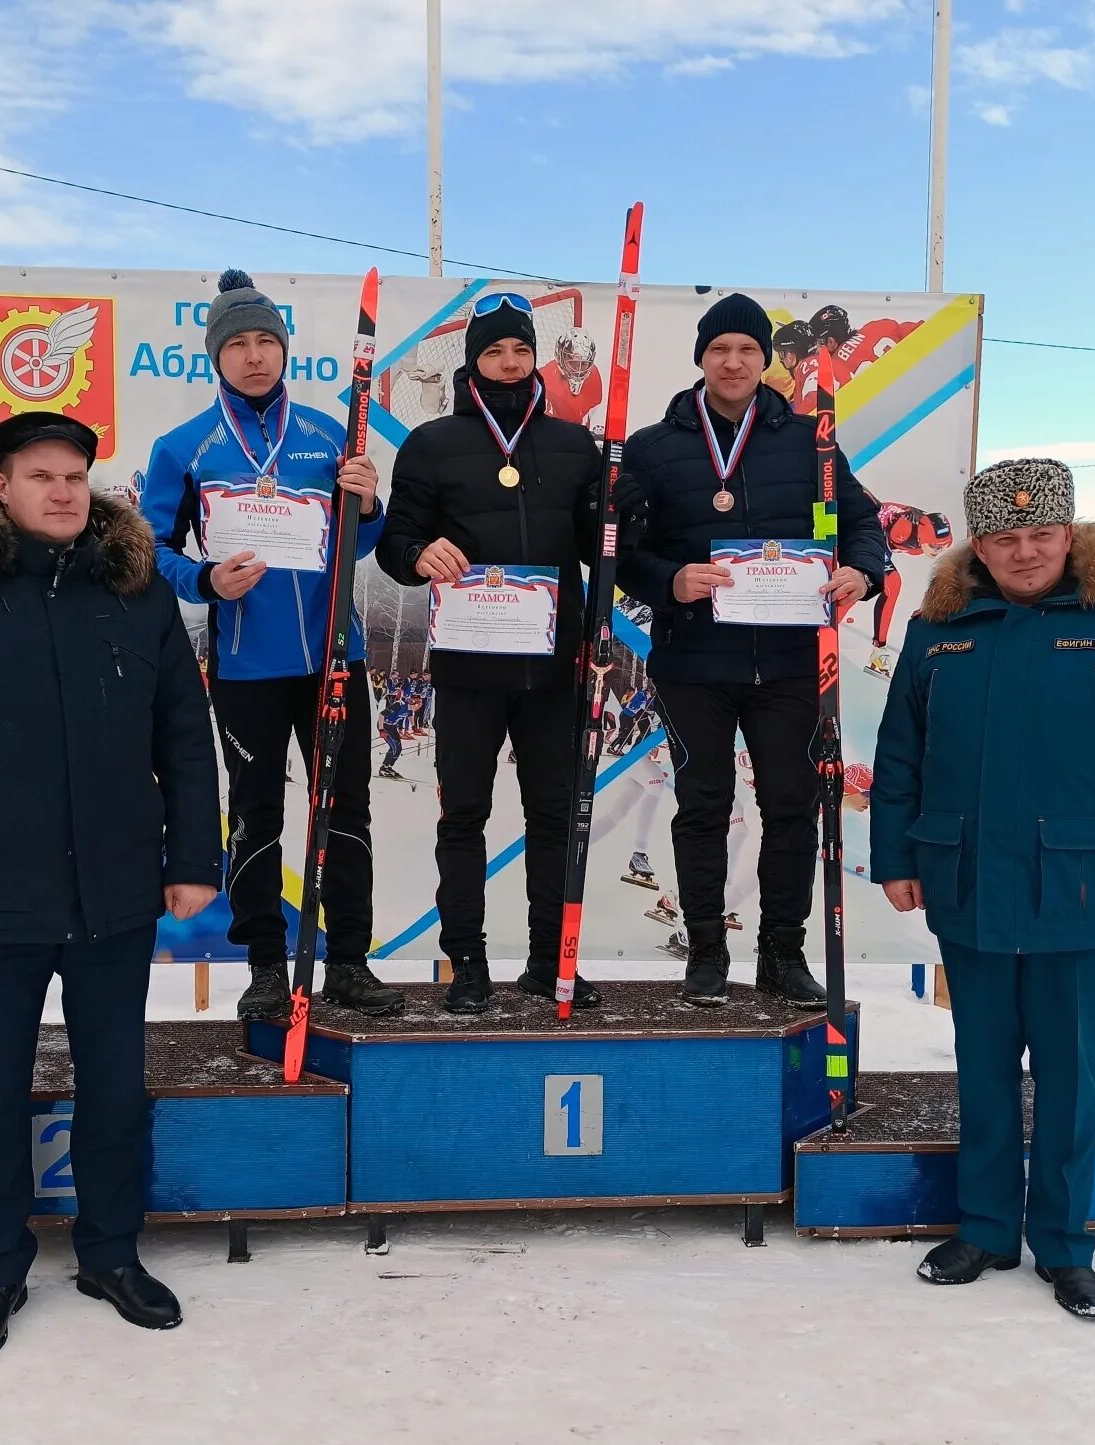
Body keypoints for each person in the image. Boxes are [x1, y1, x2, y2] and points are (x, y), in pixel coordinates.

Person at [0, 411, 223, 1365]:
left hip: (113, 894)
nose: (65, 492)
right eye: (41, 475)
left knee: (115, 1085)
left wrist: (193, 860)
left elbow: (184, 737)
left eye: (77, 475)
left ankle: (110, 1255)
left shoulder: (134, 592)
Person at [869, 458, 1095, 1321]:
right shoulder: (936, 633)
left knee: (1066, 1073)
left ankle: (1063, 1246)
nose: (1025, 552)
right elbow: (902, 760)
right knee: (982, 1066)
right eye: (1005, 537)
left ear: (1071, 535)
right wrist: (897, 859)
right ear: (979, 546)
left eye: (1041, 534)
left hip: (1081, 889)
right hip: (966, 882)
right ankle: (986, 1228)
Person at [141, 270, 405, 1023]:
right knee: (257, 814)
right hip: (246, 666)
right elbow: (152, 549)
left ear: (284, 350)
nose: (255, 356)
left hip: (332, 658)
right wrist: (204, 581)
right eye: (238, 343)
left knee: (344, 809)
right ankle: (263, 963)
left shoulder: (329, 436)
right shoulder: (184, 448)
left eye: (266, 341)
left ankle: (349, 961)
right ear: (215, 356)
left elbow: (364, 543)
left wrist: (370, 501)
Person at [617, 293, 889, 1006]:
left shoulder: (811, 443)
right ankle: (706, 950)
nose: (732, 362)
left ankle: (782, 952)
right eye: (719, 350)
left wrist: (861, 569)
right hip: (694, 659)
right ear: (701, 359)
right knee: (703, 807)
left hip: (791, 663)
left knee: (791, 807)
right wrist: (670, 580)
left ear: (764, 360)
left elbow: (865, 524)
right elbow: (620, 552)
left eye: (746, 349)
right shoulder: (653, 447)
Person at [374, 292, 603, 1013]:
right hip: (470, 667)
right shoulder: (433, 443)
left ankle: (547, 960)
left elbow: (606, 542)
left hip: (550, 667)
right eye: (494, 351)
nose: (508, 363)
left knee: (553, 815)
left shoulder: (573, 446)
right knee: (463, 815)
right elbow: (393, 545)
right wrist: (419, 551)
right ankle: (466, 962)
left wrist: (624, 505)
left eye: (520, 350)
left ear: (537, 358)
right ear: (472, 360)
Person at [866, 498, 955, 677]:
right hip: (871, 530)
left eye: (943, 546)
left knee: (885, 584)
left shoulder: (921, 536)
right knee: (892, 583)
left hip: (880, 533)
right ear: (922, 537)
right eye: (934, 546)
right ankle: (878, 650)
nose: (938, 550)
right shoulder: (903, 531)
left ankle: (878, 650)